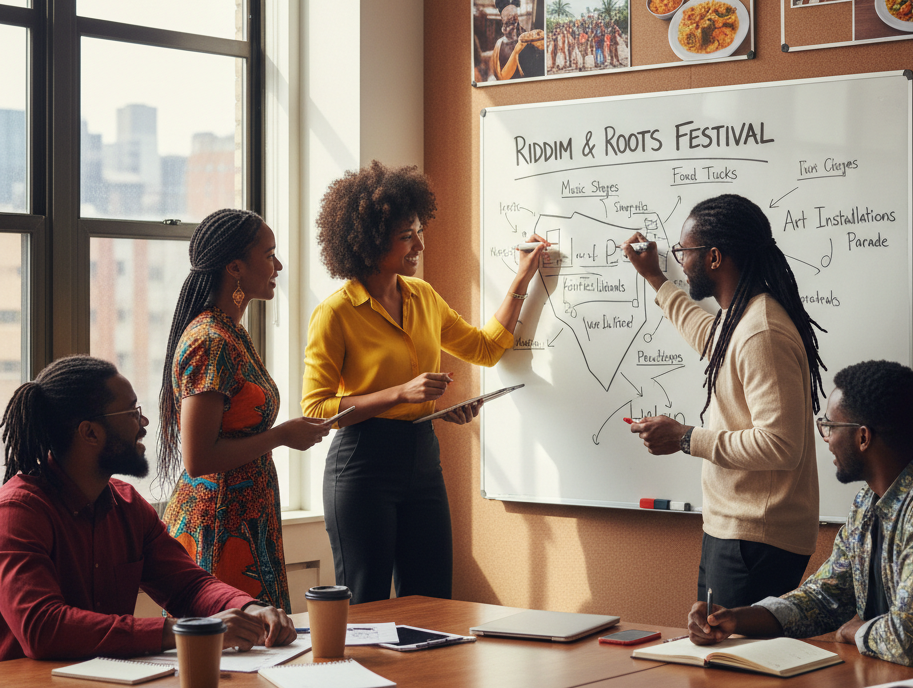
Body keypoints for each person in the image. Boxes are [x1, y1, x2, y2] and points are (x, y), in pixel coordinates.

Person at [302, 162, 548, 604]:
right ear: (371, 240)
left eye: (419, 231)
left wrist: (522, 277)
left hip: (421, 458)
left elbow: (486, 348)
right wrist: (401, 393)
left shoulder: (424, 297)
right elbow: (317, 409)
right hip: (362, 465)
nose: (418, 244)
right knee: (366, 609)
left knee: (433, 604)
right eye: (405, 236)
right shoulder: (335, 313)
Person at [686, 360, 913, 666]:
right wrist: (736, 620)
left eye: (830, 426)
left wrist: (857, 631)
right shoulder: (868, 502)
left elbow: (912, 641)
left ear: (863, 437)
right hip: (904, 684)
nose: (827, 438)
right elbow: (824, 596)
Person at [0, 356, 296, 660]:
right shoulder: (18, 512)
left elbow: (188, 586)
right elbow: (43, 628)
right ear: (90, 433)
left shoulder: (127, 504)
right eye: (131, 412)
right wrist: (186, 632)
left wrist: (249, 608)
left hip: (109, 685)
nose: (143, 423)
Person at [621, 194, 827, 608]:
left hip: (755, 538)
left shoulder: (760, 332)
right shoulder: (743, 319)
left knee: (735, 662)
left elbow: (781, 445)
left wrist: (686, 438)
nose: (680, 261)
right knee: (722, 659)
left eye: (685, 251)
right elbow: (706, 333)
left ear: (714, 257)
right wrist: (655, 280)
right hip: (739, 531)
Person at [158, 209, 331, 613]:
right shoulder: (211, 341)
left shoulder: (232, 332)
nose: (279, 265)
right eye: (269, 254)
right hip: (221, 525)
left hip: (247, 516)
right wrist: (282, 436)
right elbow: (199, 459)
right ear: (235, 266)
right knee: (234, 656)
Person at [490, 0, 545, 80]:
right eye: (508, 16)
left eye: (514, 16)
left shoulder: (525, 37)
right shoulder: (499, 44)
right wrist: (516, 50)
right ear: (503, 20)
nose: (512, 19)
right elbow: (501, 76)